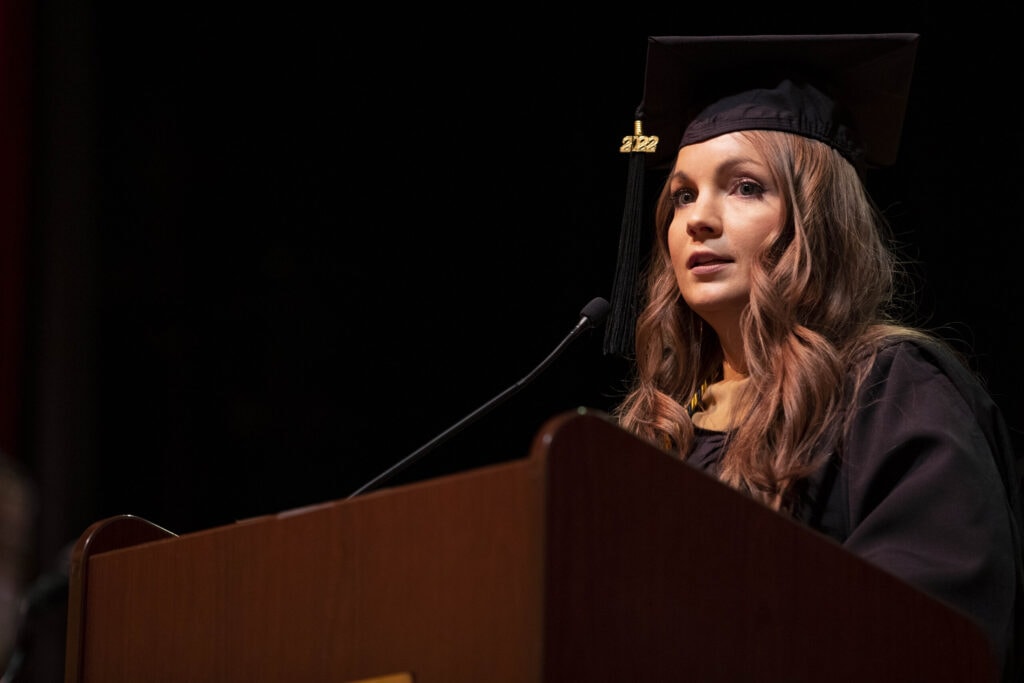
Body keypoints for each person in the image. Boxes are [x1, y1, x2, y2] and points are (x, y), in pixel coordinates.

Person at [605, 34, 1023, 682]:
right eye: (682, 194)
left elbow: (926, 638)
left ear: (815, 219)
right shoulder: (656, 426)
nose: (698, 219)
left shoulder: (891, 396)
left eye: (744, 187)